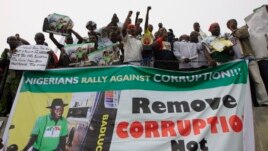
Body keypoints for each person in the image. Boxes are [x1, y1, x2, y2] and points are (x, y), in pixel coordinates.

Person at [227, 19, 268, 106]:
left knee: (257, 80)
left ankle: (264, 101)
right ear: (228, 26)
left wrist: (234, 30)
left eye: (233, 22)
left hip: (249, 58)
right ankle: (252, 103)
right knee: (246, 83)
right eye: (229, 23)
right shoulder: (229, 37)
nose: (231, 24)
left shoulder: (243, 29)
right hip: (239, 62)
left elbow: (241, 34)